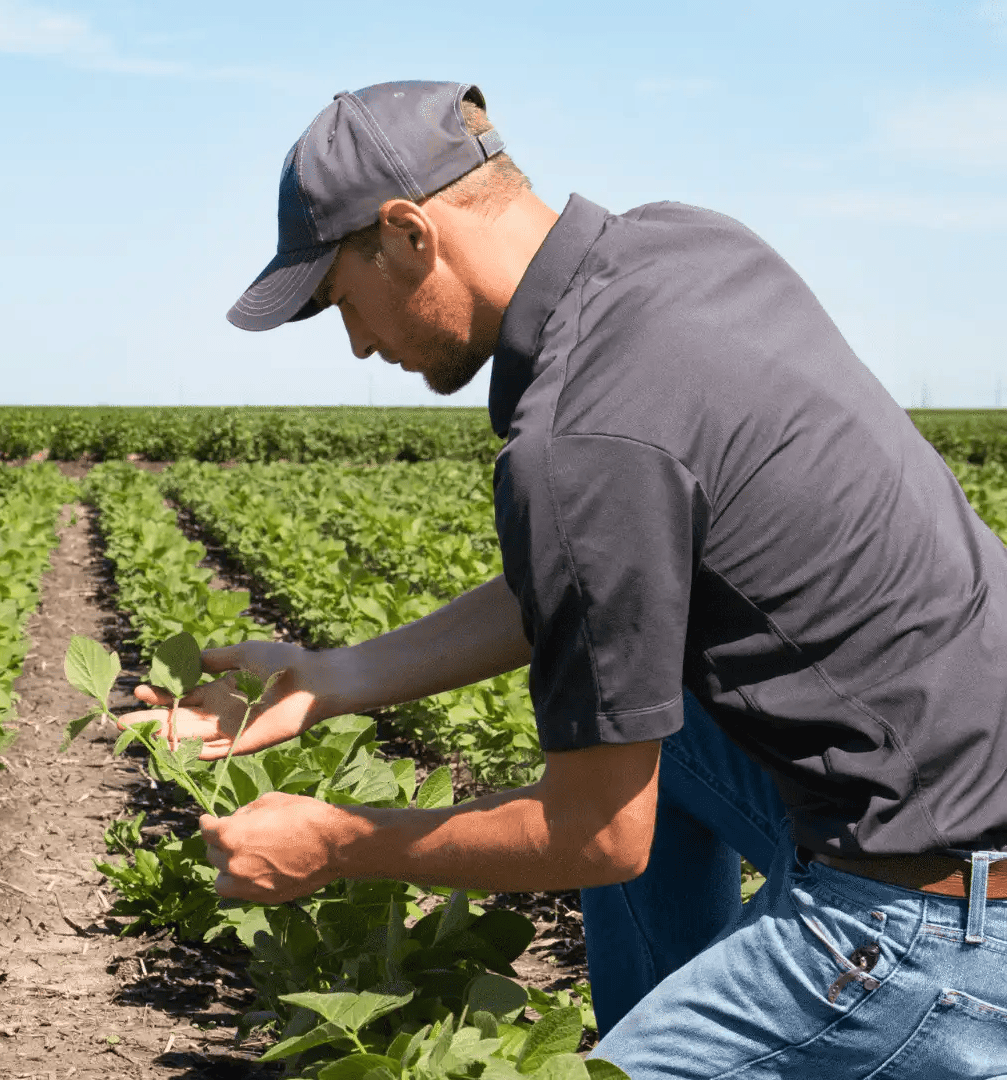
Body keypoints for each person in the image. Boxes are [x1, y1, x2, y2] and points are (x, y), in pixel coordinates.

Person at [120, 80, 1007, 1077]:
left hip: (936, 923)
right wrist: (336, 680)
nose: (361, 343)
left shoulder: (576, 438)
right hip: (953, 806)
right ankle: (672, 1019)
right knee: (646, 704)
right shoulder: (684, 247)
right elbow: (596, 581)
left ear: (409, 233)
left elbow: (594, 837)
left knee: (613, 822)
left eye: (343, 303)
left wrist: (335, 842)